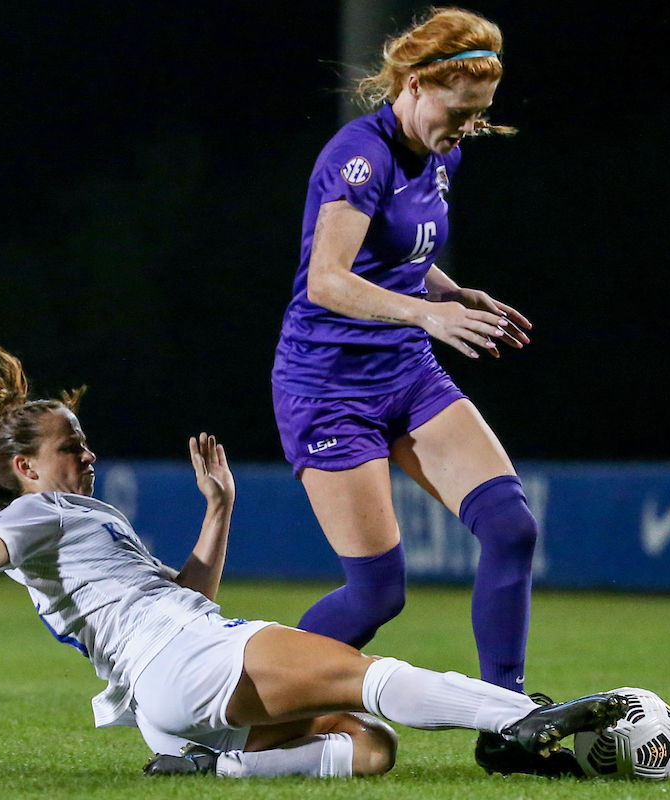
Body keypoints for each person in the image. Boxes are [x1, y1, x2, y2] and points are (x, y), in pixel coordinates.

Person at [0, 347, 626, 779]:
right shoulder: (37, 512)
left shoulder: (81, 517)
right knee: (364, 674)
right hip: (188, 657)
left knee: (369, 748)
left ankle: (215, 767)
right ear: (27, 468)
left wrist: (220, 510)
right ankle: (519, 719)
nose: (87, 451)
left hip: (172, 685)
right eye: (72, 445)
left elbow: (181, 593)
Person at [270, 8, 551, 775]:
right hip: (329, 388)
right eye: (460, 113)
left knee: (510, 528)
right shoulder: (358, 157)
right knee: (376, 594)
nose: (467, 130)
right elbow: (329, 279)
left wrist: (456, 293)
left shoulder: (440, 153)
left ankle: (507, 722)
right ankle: (249, 707)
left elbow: (400, 257)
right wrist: (429, 313)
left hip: (405, 369)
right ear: (418, 83)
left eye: (481, 118)